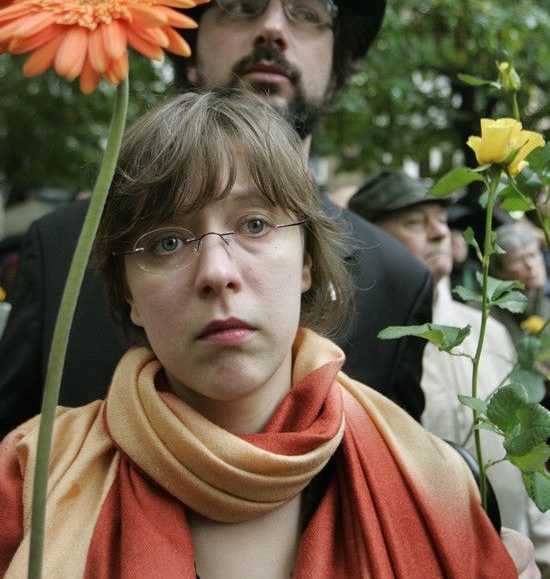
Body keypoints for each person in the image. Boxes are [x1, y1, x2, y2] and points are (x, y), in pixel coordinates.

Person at [0, 92, 519, 577]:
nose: (216, 272)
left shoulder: (440, 481)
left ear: (307, 265)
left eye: (254, 225)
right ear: (129, 294)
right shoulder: (24, 482)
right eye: (167, 241)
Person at [0, 0, 433, 437]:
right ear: (186, 49)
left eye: (308, 13)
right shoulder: (63, 248)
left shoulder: (399, 281)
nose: (273, 28)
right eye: (239, 5)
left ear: (337, 68)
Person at [348, 169, 550, 574]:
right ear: (369, 239)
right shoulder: (360, 342)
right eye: (414, 223)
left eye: (440, 219)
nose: (439, 233)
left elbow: (523, 448)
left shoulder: (487, 329)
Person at [489, 222, 550, 343]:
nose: (530, 265)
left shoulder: (546, 305)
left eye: (533, 255)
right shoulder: (486, 314)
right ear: (500, 271)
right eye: (518, 260)